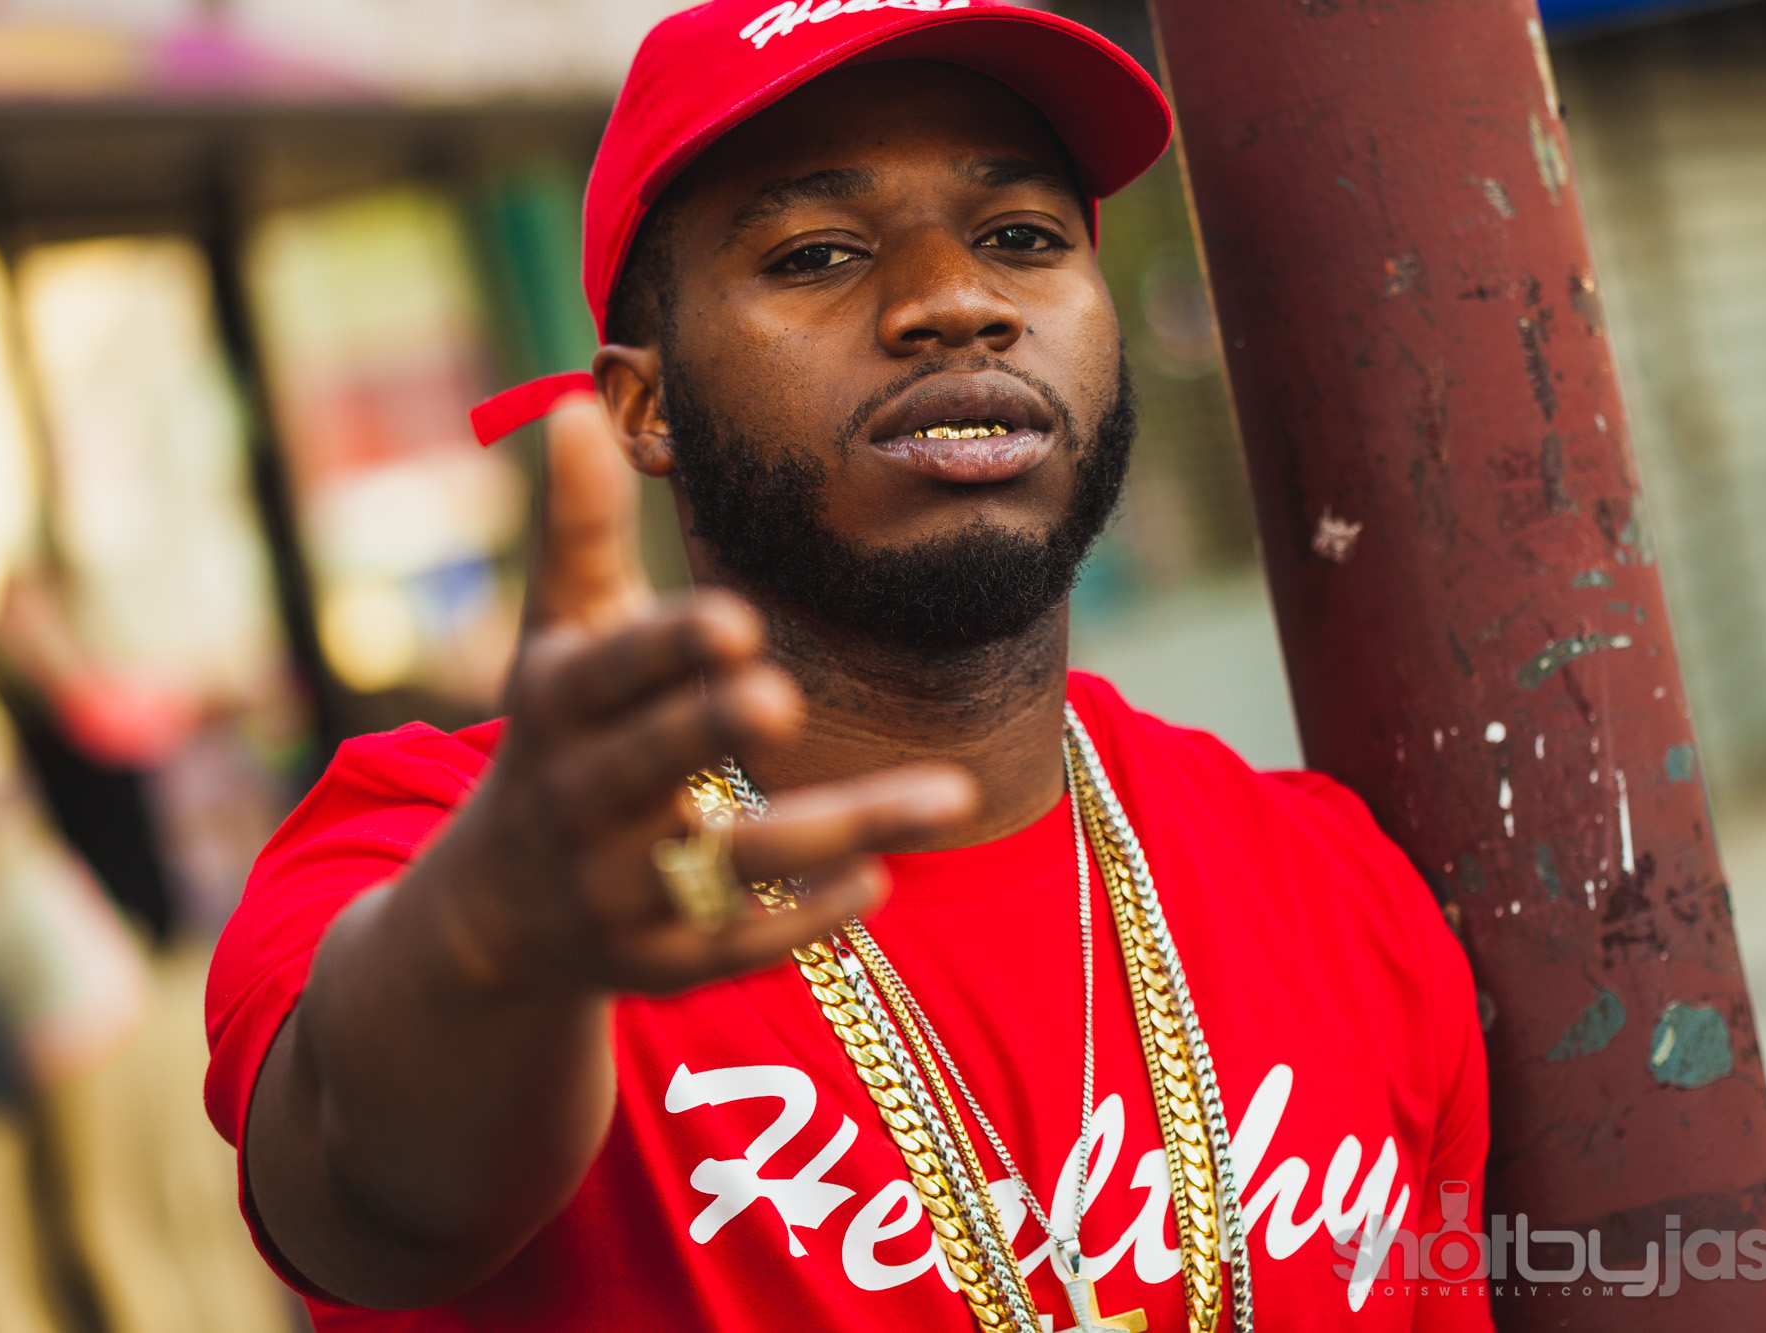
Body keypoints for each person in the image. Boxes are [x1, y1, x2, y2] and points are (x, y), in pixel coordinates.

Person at [204, 1, 1494, 1329]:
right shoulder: (425, 852)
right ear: (645, 405)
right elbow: (372, 1189)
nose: (959, 302)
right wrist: (493, 951)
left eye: (1022, 237)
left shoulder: (1341, 894)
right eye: (818, 253)